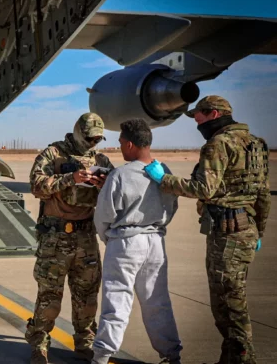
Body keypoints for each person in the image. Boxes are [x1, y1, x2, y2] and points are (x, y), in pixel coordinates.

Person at [145, 95, 270, 364]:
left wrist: (163, 179)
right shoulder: (257, 144)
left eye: (199, 117)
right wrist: (258, 230)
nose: (196, 122)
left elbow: (203, 189)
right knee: (231, 296)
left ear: (213, 114)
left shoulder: (218, 144)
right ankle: (230, 358)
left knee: (228, 302)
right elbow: (263, 195)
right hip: (245, 230)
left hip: (227, 234)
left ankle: (244, 359)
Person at [91, 119, 182, 364]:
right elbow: (172, 206)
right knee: (158, 302)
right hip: (155, 243)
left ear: (130, 144)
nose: (120, 148)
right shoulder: (164, 173)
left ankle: (101, 356)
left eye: (121, 143)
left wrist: (108, 238)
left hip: (125, 243)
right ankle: (172, 356)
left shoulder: (119, 175)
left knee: (116, 303)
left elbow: (104, 215)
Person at [26, 112, 114, 364]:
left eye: (97, 139)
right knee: (49, 295)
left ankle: (85, 342)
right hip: (55, 236)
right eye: (89, 138)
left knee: (87, 294)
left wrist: (102, 184)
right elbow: (36, 185)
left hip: (86, 235)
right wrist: (70, 179)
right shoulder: (52, 154)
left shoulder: (101, 159)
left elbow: (115, 194)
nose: (92, 143)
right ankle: (40, 344)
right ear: (77, 131)